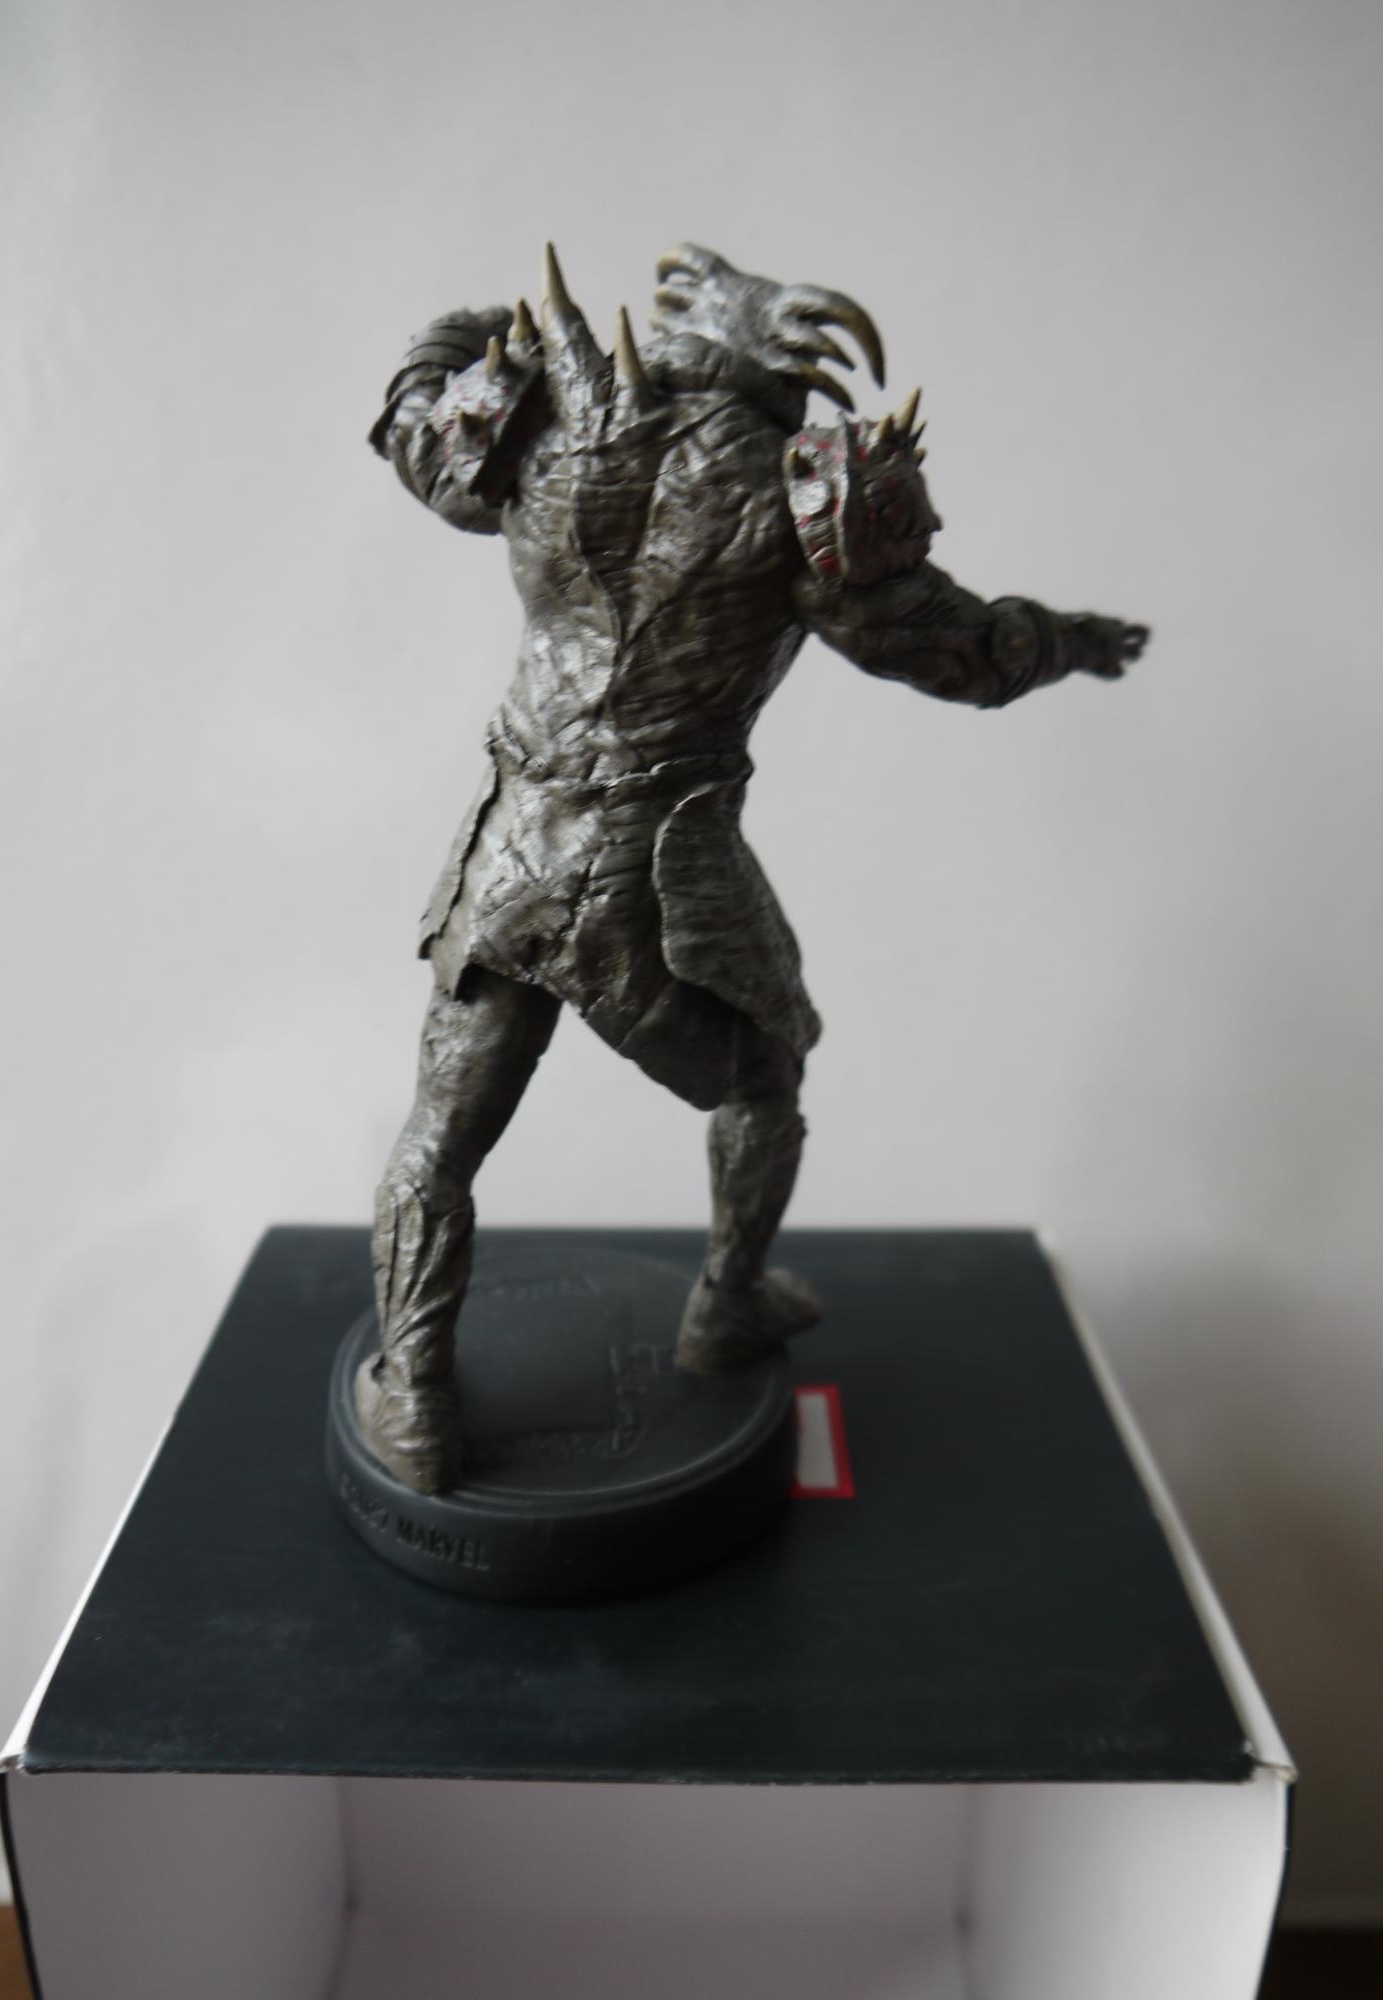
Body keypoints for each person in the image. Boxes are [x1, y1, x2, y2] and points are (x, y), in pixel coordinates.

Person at [360, 243, 1148, 1494]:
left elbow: (422, 433)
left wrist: (455, 342)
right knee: (764, 1083)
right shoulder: (804, 494)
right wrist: (1074, 640)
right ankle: (724, 1298)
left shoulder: (549, 433)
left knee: (440, 1140)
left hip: (513, 854)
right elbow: (961, 652)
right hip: (657, 875)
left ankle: (414, 1398)